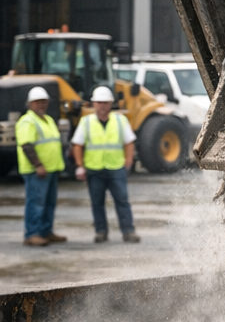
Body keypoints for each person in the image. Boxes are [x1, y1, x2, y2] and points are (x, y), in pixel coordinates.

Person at [72, 86, 141, 244]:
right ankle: (101, 231)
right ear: (94, 104)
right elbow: (77, 145)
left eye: (105, 102)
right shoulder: (86, 122)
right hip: (94, 169)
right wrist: (80, 165)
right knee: (97, 203)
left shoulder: (120, 120)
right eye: (99, 102)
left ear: (110, 104)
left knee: (122, 200)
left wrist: (128, 161)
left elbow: (129, 141)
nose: (102, 105)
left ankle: (128, 231)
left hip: (116, 168)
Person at [15, 86, 67, 246]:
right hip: (36, 170)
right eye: (38, 102)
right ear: (30, 104)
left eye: (44, 102)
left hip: (51, 169)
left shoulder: (48, 120)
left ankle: (46, 231)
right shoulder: (27, 121)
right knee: (36, 202)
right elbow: (26, 145)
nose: (41, 105)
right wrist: (38, 165)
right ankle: (32, 234)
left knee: (49, 202)